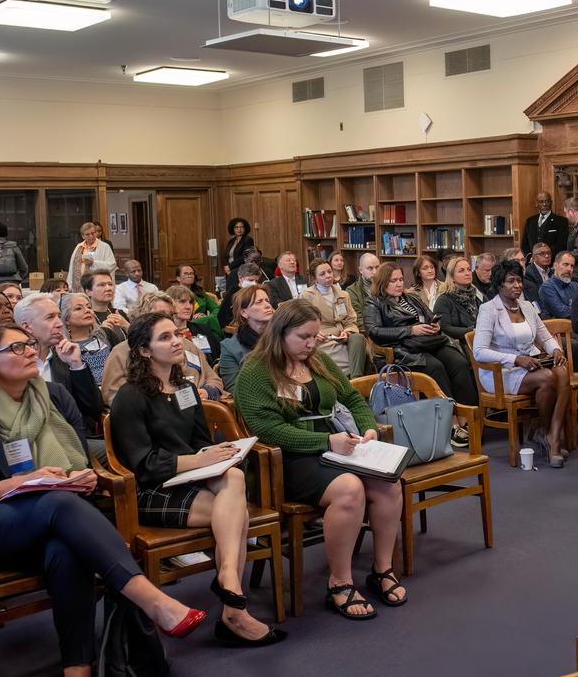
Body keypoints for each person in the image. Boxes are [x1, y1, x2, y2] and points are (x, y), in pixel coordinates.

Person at [0, 323, 207, 677]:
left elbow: (81, 457)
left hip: (61, 523)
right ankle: (152, 599)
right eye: (17, 346)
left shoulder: (54, 395)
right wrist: (16, 484)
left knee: (68, 554)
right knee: (57, 502)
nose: (31, 350)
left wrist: (82, 475)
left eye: (30, 344)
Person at [109, 314, 285, 647]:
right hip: (153, 490)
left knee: (233, 474)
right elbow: (142, 465)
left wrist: (221, 451)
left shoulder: (186, 388)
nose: (177, 341)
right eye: (165, 338)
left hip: (191, 479)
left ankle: (229, 584)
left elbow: (201, 443)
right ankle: (233, 608)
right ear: (144, 351)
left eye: (176, 334)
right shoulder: (130, 397)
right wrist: (199, 460)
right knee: (238, 515)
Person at [233, 301, 406, 619]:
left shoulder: (317, 360)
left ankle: (382, 569)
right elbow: (270, 431)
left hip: (333, 448)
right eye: (304, 337)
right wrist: (325, 440)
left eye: (315, 336)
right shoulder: (255, 371)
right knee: (350, 488)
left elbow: (352, 397)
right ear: (280, 333)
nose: (312, 344)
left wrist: (367, 427)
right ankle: (340, 582)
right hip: (287, 461)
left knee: (388, 483)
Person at [473, 261, 568, 465]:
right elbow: (479, 351)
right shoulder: (489, 310)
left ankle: (552, 435)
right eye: (510, 281)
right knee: (547, 377)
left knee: (562, 371)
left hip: (531, 364)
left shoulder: (526, 306)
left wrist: (556, 349)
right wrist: (515, 359)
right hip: (500, 373)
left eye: (519, 280)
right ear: (499, 285)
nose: (517, 285)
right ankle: (546, 433)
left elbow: (544, 336)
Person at [366, 263, 477, 405]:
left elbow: (431, 316)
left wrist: (435, 325)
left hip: (429, 342)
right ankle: (449, 416)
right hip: (403, 348)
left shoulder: (411, 298)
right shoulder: (374, 302)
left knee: (459, 363)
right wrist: (410, 330)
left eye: (400, 279)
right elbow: (374, 331)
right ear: (382, 282)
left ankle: (467, 412)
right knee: (436, 367)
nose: (399, 284)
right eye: (393, 281)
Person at [101, 293, 224, 403]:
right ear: (142, 316)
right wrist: (162, 403)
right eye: (160, 314)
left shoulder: (185, 344)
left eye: (170, 314)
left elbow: (213, 378)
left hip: (199, 406)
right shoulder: (122, 351)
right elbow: (111, 394)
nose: (167, 319)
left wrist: (207, 392)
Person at [13, 293, 104, 425]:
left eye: (59, 316)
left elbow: (94, 409)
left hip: (70, 436)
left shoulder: (65, 358)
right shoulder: (12, 363)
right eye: (50, 317)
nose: (59, 324)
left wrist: (76, 365)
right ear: (27, 327)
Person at [298, 260, 368, 378]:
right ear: (314, 279)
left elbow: (351, 320)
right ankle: (354, 380)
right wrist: (313, 333)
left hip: (342, 336)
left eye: (329, 271)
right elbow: (300, 322)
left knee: (358, 338)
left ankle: (356, 379)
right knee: (345, 358)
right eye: (322, 274)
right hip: (321, 338)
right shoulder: (307, 295)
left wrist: (348, 331)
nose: (328, 275)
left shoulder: (343, 294)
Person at [217, 286, 272, 389]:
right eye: (259, 302)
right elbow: (235, 389)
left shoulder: (283, 337)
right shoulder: (230, 348)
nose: (267, 305)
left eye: (267, 301)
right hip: (255, 401)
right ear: (244, 312)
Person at [58, 292, 117, 385]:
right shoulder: (63, 348)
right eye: (78, 308)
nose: (87, 311)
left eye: (89, 307)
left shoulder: (106, 334)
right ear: (66, 319)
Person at [432, 257, 480, 350]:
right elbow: (445, 328)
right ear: (452, 276)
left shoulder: (477, 294)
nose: (467, 273)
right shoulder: (443, 299)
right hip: (457, 344)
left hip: (481, 339)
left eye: (469, 269)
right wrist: (472, 331)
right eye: (461, 271)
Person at [166, 284, 221, 363]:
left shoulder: (203, 329)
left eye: (191, 302)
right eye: (182, 301)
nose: (189, 307)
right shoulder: (164, 335)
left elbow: (217, 358)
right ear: (170, 304)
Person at [81, 270, 130, 340]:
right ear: (88, 292)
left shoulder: (119, 313)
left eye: (110, 284)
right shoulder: (85, 317)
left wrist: (127, 326)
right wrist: (101, 332)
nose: (108, 288)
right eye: (101, 285)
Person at [521, 191, 569, 259]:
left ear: (551, 202)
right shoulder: (530, 221)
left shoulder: (561, 221)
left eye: (547, 201)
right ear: (536, 204)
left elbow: (561, 244)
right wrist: (530, 257)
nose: (544, 204)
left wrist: (545, 256)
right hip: (532, 261)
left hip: (552, 261)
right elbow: (524, 244)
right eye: (541, 202)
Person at [175, 264, 221, 336]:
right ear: (178, 278)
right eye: (186, 274)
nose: (189, 275)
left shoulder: (201, 294)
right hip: (181, 326)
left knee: (211, 325)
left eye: (191, 273)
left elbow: (216, 309)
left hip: (201, 325)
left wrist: (207, 317)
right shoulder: (173, 295)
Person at [67, 222, 116, 288]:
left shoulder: (105, 246)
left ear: (96, 233)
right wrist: (69, 285)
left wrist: (94, 263)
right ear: (83, 236)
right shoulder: (79, 246)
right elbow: (71, 267)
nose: (91, 236)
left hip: (96, 285)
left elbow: (112, 265)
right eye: (87, 234)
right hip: (78, 285)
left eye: (92, 233)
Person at [218, 263, 264, 331]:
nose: (254, 283)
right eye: (250, 280)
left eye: (256, 281)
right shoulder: (232, 294)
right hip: (240, 329)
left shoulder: (258, 292)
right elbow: (222, 317)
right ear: (240, 278)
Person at [536, 251, 578, 319]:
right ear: (555, 266)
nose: (569, 269)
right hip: (558, 328)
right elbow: (563, 313)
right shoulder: (547, 288)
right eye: (565, 264)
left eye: (572, 266)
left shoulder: (576, 286)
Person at [344, 253, 379, 323]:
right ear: (360, 270)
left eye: (377, 267)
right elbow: (358, 320)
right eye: (370, 268)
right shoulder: (352, 291)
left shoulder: (386, 286)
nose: (375, 272)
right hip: (369, 330)